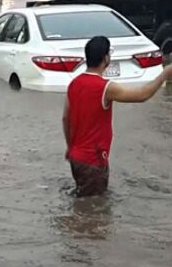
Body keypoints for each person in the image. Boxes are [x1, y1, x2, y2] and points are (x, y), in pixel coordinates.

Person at [63, 36, 172, 196]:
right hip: (94, 160)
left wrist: (69, 147)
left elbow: (66, 118)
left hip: (76, 157)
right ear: (106, 58)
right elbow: (142, 95)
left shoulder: (74, 84)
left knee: (84, 201)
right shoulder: (106, 88)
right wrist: (164, 75)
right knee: (95, 211)